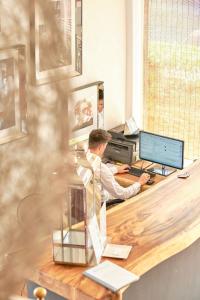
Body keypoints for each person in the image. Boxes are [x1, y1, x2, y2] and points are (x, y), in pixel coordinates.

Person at [87, 129, 150, 201]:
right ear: (101, 147)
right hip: (100, 203)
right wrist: (139, 183)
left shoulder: (83, 157)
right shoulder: (101, 168)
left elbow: (99, 173)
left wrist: (116, 169)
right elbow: (123, 194)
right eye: (105, 146)